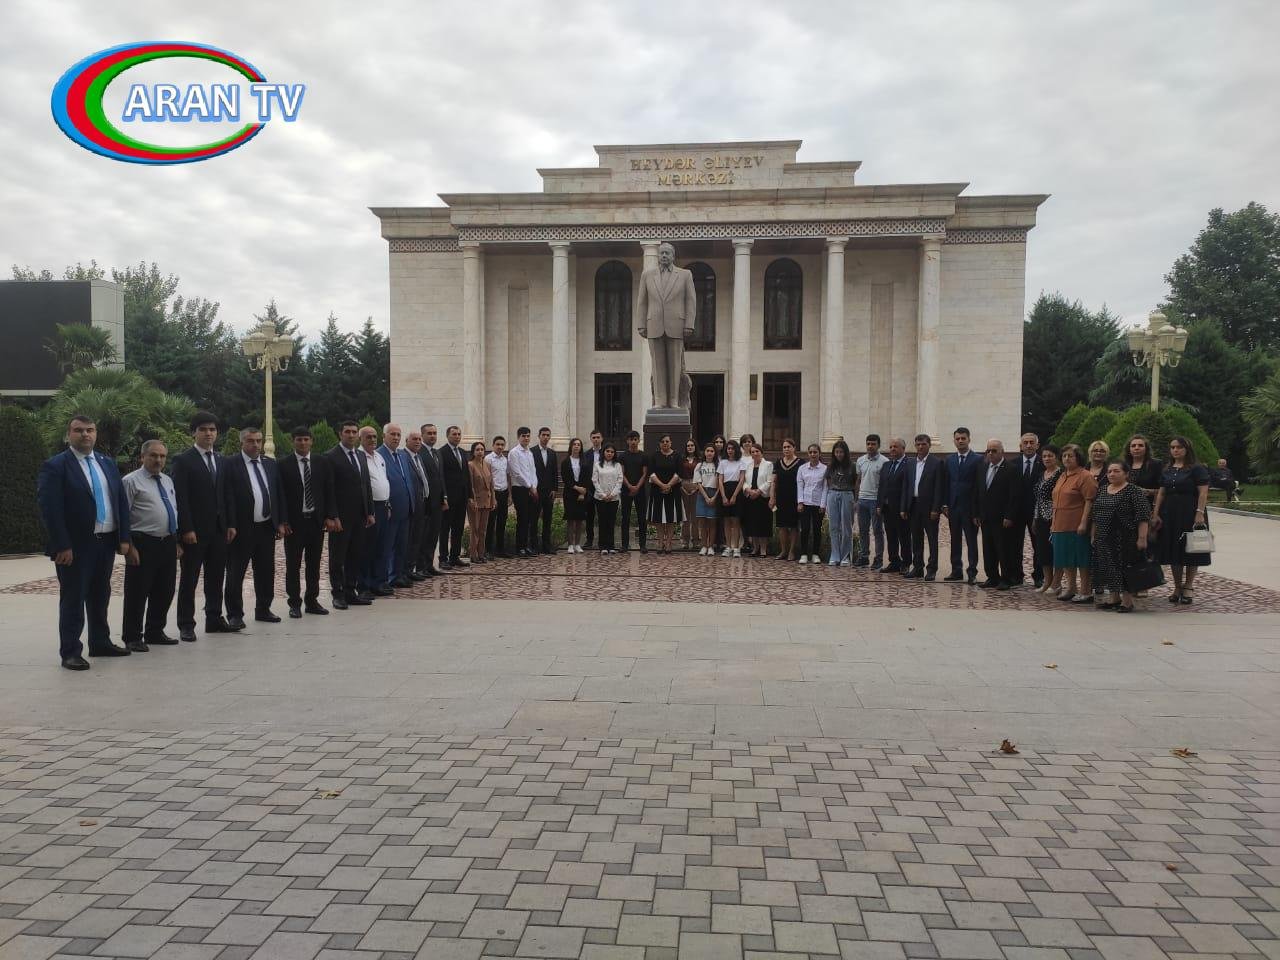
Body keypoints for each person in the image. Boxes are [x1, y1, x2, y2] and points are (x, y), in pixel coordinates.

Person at [37, 414, 134, 669]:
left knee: (100, 595)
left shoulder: (107, 463)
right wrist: (62, 545)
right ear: (69, 434)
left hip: (106, 542)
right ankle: (70, 651)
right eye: (79, 430)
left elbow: (120, 502)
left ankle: (100, 642)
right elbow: (50, 509)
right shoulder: (56, 466)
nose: (85, 434)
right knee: (74, 598)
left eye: (90, 430)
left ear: (96, 433)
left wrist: (124, 537)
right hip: (75, 546)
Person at [170, 410, 233, 641]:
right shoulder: (183, 460)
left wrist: (230, 524)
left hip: (219, 530)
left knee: (216, 578)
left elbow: (226, 494)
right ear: (193, 433)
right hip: (194, 532)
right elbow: (180, 497)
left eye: (212, 430)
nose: (208, 433)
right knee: (190, 579)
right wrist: (186, 529)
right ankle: (186, 624)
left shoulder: (221, 460)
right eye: (203, 429)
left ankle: (214, 618)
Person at [222, 426, 287, 628]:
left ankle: (263, 609)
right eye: (251, 441)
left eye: (259, 440)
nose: (256, 445)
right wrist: (230, 524)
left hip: (266, 527)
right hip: (241, 528)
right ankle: (235, 614)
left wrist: (280, 521)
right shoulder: (230, 464)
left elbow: (278, 493)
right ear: (242, 442)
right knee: (236, 573)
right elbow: (226, 496)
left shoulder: (270, 464)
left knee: (266, 571)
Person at [120, 439, 178, 652]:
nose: (158, 460)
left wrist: (176, 540)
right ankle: (132, 636)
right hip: (143, 542)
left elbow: (173, 510)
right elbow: (123, 516)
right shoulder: (130, 481)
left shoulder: (167, 480)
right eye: (153, 455)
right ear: (142, 457)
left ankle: (155, 631)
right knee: (137, 592)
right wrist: (129, 547)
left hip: (167, 542)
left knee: (165, 590)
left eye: (162, 456)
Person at [278, 426, 336, 617]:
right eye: (299, 439)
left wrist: (330, 516)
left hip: (316, 522)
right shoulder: (283, 464)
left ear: (311, 441)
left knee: (314, 564)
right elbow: (280, 495)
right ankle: (294, 603)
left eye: (306, 439)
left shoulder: (321, 462)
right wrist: (283, 520)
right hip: (294, 524)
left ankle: (312, 601)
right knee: (293, 565)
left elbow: (329, 490)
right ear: (292, 441)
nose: (303, 443)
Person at [1153, 436, 1211, 604]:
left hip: (1191, 512)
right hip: (1170, 513)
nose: (1175, 450)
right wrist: (1155, 513)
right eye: (1172, 447)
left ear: (1187, 449)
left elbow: (1203, 492)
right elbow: (1161, 493)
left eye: (1179, 447)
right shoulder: (1167, 469)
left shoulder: (1197, 468)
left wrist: (1199, 512)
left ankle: (1189, 586)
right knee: (1174, 550)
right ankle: (1177, 586)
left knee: (1192, 549)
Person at [324, 420, 374, 609]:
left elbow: (366, 485)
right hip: (340, 518)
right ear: (340, 433)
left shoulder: (360, 455)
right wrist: (332, 515)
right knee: (338, 558)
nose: (351, 435)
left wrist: (370, 511)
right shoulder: (331, 456)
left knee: (355, 555)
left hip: (360, 516)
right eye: (347, 432)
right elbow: (328, 489)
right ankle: (337, 594)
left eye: (354, 432)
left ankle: (350, 591)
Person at [1092, 461, 1152, 612]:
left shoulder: (1133, 490)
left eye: (1116, 471)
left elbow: (1143, 516)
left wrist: (1142, 538)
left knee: (1125, 568)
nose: (1112, 474)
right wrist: (1094, 534)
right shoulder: (1103, 489)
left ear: (1126, 474)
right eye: (1109, 471)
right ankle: (1114, 598)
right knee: (1108, 568)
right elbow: (1095, 514)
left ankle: (1127, 601)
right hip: (1104, 537)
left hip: (1125, 537)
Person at [972, 439, 1022, 590]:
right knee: (988, 548)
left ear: (1002, 452)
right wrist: (976, 513)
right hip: (985, 517)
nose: (991, 453)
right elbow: (977, 492)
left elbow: (1015, 495)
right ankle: (992, 577)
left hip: (1002, 518)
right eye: (988, 451)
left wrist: (1009, 516)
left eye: (994, 451)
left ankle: (1006, 578)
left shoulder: (1011, 469)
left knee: (1004, 549)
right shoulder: (982, 467)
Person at [1051, 444, 1098, 604]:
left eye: (1070, 455)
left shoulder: (1085, 476)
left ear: (1078, 457)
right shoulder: (1062, 475)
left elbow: (1090, 501)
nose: (1067, 458)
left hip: (1077, 524)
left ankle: (1086, 591)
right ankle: (1071, 588)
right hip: (1060, 524)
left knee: (1082, 558)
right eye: (1064, 456)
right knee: (1065, 558)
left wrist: (1084, 522)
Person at [900, 434, 946, 581]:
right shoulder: (910, 463)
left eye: (923, 444)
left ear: (929, 445)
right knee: (916, 538)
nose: (920, 447)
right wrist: (903, 507)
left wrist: (936, 508)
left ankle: (931, 569)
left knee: (932, 538)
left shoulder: (937, 463)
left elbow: (939, 487)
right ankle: (918, 567)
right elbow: (906, 486)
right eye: (918, 444)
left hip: (929, 507)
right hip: (913, 505)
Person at [378, 423, 416, 587]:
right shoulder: (379, 455)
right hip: (390, 509)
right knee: (386, 547)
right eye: (392, 434)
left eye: (398, 435)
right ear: (384, 436)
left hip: (405, 508)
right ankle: (383, 578)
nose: (396, 437)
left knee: (401, 545)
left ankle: (397, 575)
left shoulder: (402, 455)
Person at [942, 428, 981, 583]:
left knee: (971, 541)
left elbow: (979, 486)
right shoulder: (949, 459)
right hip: (953, 507)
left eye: (963, 438)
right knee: (955, 540)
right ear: (954, 441)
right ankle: (956, 570)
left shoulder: (978, 459)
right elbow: (946, 483)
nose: (960, 441)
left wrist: (977, 510)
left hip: (970, 508)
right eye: (957, 438)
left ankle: (972, 572)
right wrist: (945, 504)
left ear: (969, 439)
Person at [359, 426, 392, 595]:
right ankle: (364, 585)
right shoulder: (359, 457)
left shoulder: (379, 456)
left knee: (381, 547)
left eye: (374, 437)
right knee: (367, 549)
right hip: (369, 509)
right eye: (368, 437)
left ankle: (377, 583)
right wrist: (368, 511)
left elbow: (383, 481)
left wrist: (388, 504)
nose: (372, 440)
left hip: (383, 507)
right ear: (361, 439)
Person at [438, 425, 472, 567]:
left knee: (458, 528)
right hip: (448, 499)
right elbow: (441, 477)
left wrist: (469, 495)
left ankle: (454, 556)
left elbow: (466, 475)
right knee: (445, 529)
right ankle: (443, 558)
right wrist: (443, 497)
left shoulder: (463, 452)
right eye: (454, 434)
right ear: (447, 436)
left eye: (459, 434)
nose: (457, 436)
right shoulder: (441, 452)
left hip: (462, 498)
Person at [1014, 433, 1045, 587]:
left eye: (1031, 442)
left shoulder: (1044, 464)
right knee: (1015, 546)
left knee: (1038, 546)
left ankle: (1038, 576)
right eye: (1025, 442)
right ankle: (1016, 575)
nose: (1028, 445)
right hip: (1016, 512)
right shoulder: (1012, 464)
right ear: (1020, 446)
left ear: (1037, 445)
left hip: (1037, 513)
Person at [645, 434, 683, 554]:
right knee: (659, 518)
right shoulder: (654, 456)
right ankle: (660, 543)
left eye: (667, 441)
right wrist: (662, 485)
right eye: (662, 441)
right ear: (659, 444)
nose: (665, 443)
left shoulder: (677, 456)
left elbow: (679, 473)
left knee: (671, 518)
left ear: (671, 442)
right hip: (657, 491)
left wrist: (669, 485)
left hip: (673, 491)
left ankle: (668, 543)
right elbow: (651, 474)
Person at [416, 423, 446, 576]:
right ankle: (420, 567)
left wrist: (444, 497)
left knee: (434, 535)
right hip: (425, 503)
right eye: (429, 433)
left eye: (434, 433)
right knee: (424, 535)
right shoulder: (419, 453)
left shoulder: (437, 453)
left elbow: (441, 478)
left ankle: (429, 565)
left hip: (437, 503)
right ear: (422, 435)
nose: (433, 436)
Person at [1032, 444, 1062, 594]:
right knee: (1043, 552)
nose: (1047, 458)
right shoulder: (1042, 474)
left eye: (1050, 455)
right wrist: (1035, 518)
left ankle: (1056, 583)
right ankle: (1047, 581)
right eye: (1044, 456)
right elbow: (1038, 498)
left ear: (1056, 457)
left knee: (1056, 552)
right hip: (1040, 518)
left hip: (1055, 517)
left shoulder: (1061, 474)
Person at [403, 430, 433, 580]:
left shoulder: (418, 457)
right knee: (408, 540)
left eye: (419, 439)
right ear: (406, 441)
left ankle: (411, 569)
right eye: (414, 439)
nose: (418, 442)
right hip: (411, 504)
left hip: (422, 503)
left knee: (417, 539)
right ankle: (405, 571)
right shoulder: (403, 456)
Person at [854, 434, 886, 569]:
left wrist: (881, 503)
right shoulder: (860, 460)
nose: (870, 446)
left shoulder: (884, 462)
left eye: (873, 444)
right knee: (863, 530)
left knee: (877, 531)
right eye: (868, 444)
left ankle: (878, 558)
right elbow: (858, 480)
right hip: (862, 500)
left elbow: (885, 484)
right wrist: (856, 499)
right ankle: (864, 556)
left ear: (878, 445)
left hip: (875, 501)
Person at [877, 438, 908, 573]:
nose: (892, 449)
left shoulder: (909, 465)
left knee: (904, 536)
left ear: (903, 448)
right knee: (891, 536)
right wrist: (879, 504)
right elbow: (882, 486)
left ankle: (906, 563)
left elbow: (907, 488)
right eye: (890, 447)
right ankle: (894, 561)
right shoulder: (886, 465)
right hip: (887, 508)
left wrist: (904, 507)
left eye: (895, 446)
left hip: (901, 509)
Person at [824, 440, 856, 566]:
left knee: (846, 526)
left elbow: (856, 482)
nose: (839, 454)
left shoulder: (852, 466)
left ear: (845, 452)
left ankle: (845, 556)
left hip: (847, 494)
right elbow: (828, 480)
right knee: (833, 526)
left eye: (841, 452)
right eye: (836, 452)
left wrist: (855, 499)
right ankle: (835, 555)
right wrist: (832, 492)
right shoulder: (830, 466)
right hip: (833, 494)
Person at [508, 427, 538, 557]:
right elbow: (516, 473)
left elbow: (533, 471)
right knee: (522, 518)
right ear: (518, 437)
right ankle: (520, 547)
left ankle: (526, 546)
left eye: (528, 436)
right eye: (523, 436)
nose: (526, 438)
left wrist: (534, 486)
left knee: (529, 519)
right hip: (520, 489)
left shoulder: (529, 452)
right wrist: (529, 486)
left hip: (531, 489)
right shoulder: (514, 452)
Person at [619, 431, 650, 553]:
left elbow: (644, 474)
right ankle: (624, 545)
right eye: (631, 439)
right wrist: (629, 486)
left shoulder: (644, 456)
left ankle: (643, 545)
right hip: (626, 490)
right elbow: (621, 473)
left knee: (642, 518)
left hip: (640, 490)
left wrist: (637, 487)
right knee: (625, 518)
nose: (633, 442)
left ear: (638, 440)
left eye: (635, 439)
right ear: (627, 441)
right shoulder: (622, 456)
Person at [741, 443, 774, 557]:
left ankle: (763, 550)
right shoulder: (748, 466)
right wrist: (748, 490)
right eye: (752, 452)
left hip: (763, 498)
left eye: (757, 451)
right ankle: (755, 548)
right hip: (750, 498)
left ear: (761, 452)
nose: (755, 453)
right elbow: (744, 481)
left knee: (763, 524)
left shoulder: (768, 465)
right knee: (752, 524)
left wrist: (758, 491)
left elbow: (769, 481)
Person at [796, 443, 827, 564]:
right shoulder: (802, 468)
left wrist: (823, 505)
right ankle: (803, 554)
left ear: (819, 453)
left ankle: (815, 554)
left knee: (816, 529)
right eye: (811, 452)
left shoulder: (824, 469)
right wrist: (800, 502)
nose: (813, 454)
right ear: (808, 454)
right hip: (805, 503)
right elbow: (800, 485)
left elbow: (825, 488)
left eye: (815, 452)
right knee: (804, 529)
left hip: (818, 504)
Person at [771, 439, 801, 560]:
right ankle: (783, 550)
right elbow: (774, 481)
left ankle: (792, 551)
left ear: (794, 448)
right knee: (782, 525)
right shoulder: (778, 462)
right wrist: (772, 497)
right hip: (781, 497)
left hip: (795, 497)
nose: (786, 449)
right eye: (784, 447)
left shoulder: (800, 463)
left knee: (793, 525)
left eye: (789, 447)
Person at [467, 440, 495, 562]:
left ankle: (481, 554)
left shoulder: (487, 464)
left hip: (487, 501)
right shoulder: (470, 465)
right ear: (473, 452)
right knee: (475, 529)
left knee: (483, 530)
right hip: (476, 501)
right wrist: (472, 500)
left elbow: (491, 484)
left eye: (482, 449)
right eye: (477, 450)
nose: (480, 452)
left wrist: (493, 500)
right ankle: (473, 554)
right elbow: (471, 485)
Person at [592, 444, 623, 554]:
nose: (609, 453)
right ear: (603, 452)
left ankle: (611, 546)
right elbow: (595, 480)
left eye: (612, 452)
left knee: (611, 522)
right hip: (600, 498)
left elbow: (620, 480)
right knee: (602, 521)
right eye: (607, 451)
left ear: (614, 454)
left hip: (613, 498)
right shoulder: (597, 465)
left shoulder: (617, 465)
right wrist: (603, 495)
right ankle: (603, 546)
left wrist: (612, 494)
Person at [716, 438, 745, 557]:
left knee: (736, 521)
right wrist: (723, 496)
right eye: (728, 448)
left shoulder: (741, 462)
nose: (730, 450)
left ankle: (736, 548)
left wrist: (734, 496)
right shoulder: (723, 463)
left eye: (732, 448)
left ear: (736, 449)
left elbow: (742, 480)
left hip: (737, 491)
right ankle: (728, 547)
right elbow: (720, 480)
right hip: (725, 490)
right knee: (726, 521)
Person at [560, 438, 589, 553]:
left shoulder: (585, 462)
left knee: (579, 520)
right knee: (570, 519)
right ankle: (570, 545)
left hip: (582, 493)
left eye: (578, 444)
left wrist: (583, 492)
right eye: (574, 444)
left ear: (581, 447)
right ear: (571, 446)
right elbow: (565, 478)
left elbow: (587, 477)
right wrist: (576, 488)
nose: (576, 446)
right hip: (570, 493)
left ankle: (577, 544)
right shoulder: (565, 462)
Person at [484, 436, 511, 559]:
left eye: (502, 445)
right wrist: (491, 496)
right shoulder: (488, 459)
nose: (500, 447)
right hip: (493, 494)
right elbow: (487, 479)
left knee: (502, 522)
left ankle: (500, 549)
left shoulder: (505, 460)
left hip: (503, 493)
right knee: (490, 523)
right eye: (498, 444)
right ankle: (488, 550)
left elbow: (508, 477)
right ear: (493, 445)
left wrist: (510, 495)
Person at [532, 427, 558, 554]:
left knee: (548, 519)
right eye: (543, 435)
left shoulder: (552, 453)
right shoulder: (532, 452)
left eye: (548, 435)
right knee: (534, 519)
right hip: (536, 491)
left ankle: (546, 546)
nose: (546, 437)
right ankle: (534, 546)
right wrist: (532, 488)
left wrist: (554, 488)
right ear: (539, 436)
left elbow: (554, 472)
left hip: (549, 492)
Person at [693, 443, 720, 556]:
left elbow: (721, 484)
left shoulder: (719, 465)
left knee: (712, 522)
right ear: (704, 452)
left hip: (714, 493)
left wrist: (714, 497)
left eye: (712, 451)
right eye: (707, 451)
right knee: (703, 522)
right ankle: (704, 546)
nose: (709, 453)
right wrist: (706, 497)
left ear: (715, 453)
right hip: (702, 494)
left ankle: (711, 546)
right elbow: (698, 483)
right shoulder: (699, 465)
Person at [1123, 435, 1163, 501]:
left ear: (1146, 449)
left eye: (1140, 445)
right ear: (1129, 449)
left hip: (1148, 503)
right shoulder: (1123, 465)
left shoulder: (1155, 464)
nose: (1136, 448)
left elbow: (1164, 489)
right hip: (1126, 504)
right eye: (1133, 446)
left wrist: (1149, 491)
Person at [583, 430, 605, 549]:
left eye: (598, 437)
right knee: (589, 516)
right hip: (590, 489)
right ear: (591, 439)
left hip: (602, 488)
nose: (596, 439)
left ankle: (602, 541)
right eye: (594, 437)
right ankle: (589, 540)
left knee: (602, 516)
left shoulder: (606, 453)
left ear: (602, 439)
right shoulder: (586, 454)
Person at [680, 438, 699, 551]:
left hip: (696, 487)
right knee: (685, 516)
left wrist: (696, 488)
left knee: (695, 517)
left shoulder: (699, 460)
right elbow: (679, 474)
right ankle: (685, 541)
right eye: (688, 446)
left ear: (695, 447)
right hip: (684, 487)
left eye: (692, 445)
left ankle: (696, 541)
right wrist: (683, 487)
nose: (690, 447)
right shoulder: (682, 459)